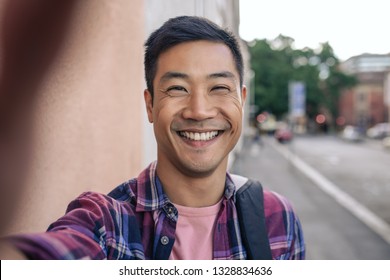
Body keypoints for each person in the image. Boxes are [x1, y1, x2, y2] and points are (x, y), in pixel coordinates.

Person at [0, 16, 305, 260]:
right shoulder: (107, 223)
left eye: (219, 88)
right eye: (177, 89)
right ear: (150, 104)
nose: (199, 111)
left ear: (241, 99)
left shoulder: (277, 219)